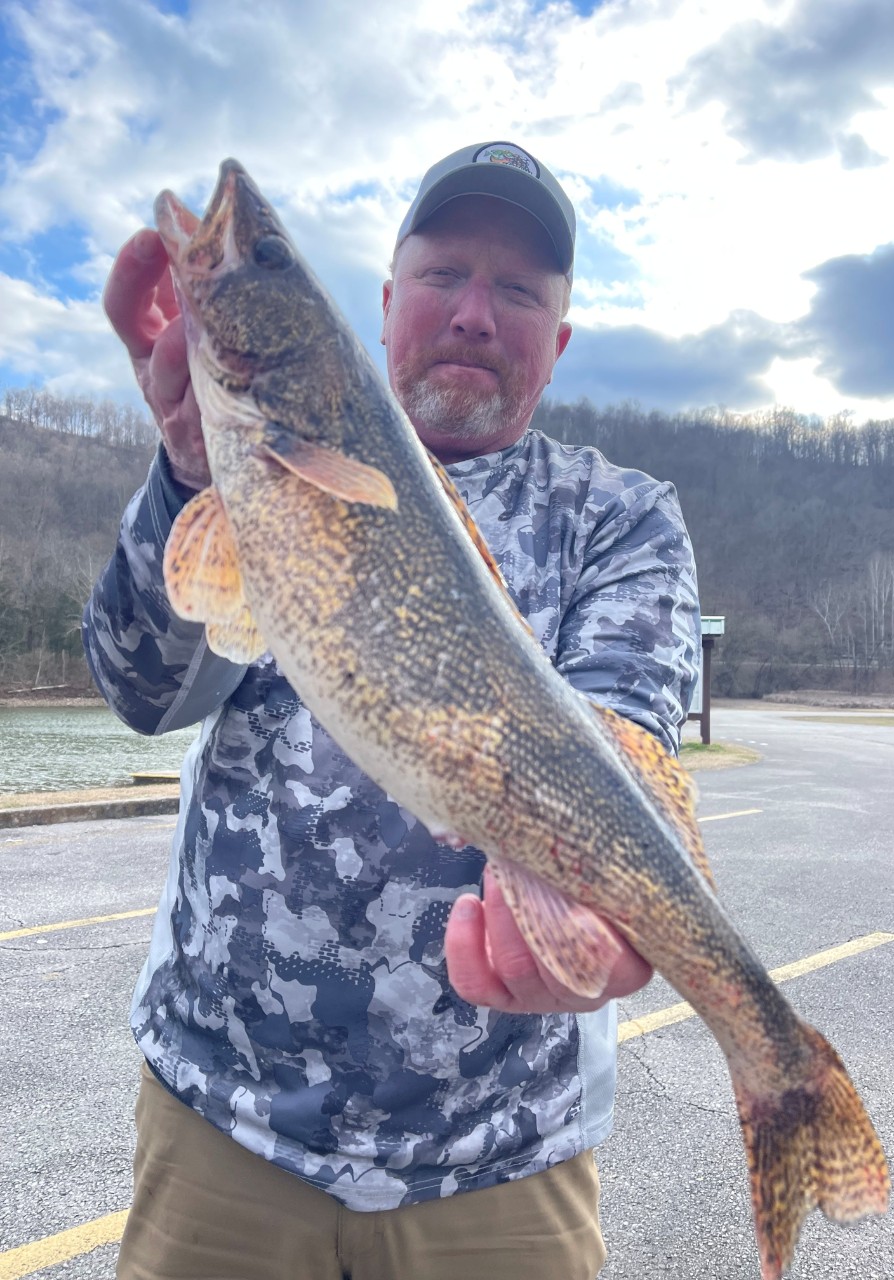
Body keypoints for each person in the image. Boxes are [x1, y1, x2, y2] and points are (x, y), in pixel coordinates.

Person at [85, 141, 700, 1280]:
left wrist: (608, 924)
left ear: (557, 342)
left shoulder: (619, 517)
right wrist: (185, 468)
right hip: (225, 1124)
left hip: (501, 1163)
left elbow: (622, 753)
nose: (474, 312)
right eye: (443, 274)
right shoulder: (257, 463)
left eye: (518, 290)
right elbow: (139, 691)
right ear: (379, 306)